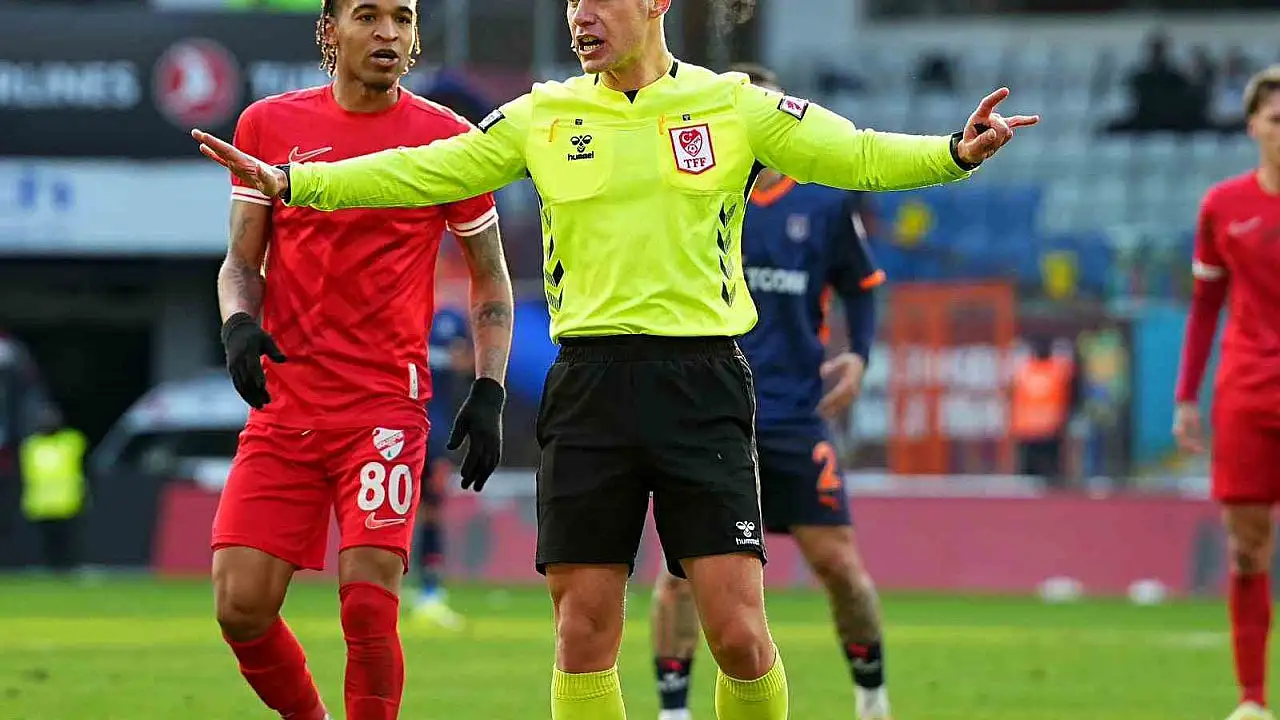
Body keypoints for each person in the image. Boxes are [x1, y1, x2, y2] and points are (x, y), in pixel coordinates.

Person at [192, 1, 1038, 716]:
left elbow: (854, 152)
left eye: (599, 1)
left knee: (739, 634)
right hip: (588, 389)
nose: (580, 18)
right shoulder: (542, 114)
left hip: (702, 383)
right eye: (571, 4)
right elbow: (420, 171)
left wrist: (952, 153)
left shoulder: (731, 106)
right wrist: (295, 184)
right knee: (582, 632)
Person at [203, 0, 513, 718]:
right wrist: (239, 324)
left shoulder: (450, 143)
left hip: (385, 407)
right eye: (368, 16)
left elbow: (491, 278)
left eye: (402, 19)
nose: (388, 33)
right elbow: (240, 262)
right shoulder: (268, 125)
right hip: (285, 404)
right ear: (329, 31)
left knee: (369, 606)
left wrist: (489, 387)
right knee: (239, 606)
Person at [647, 61, 893, 720]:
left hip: (793, 415)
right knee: (680, 574)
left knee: (839, 566)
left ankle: (873, 700)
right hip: (707, 414)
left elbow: (863, 287)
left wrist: (860, 355)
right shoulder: (690, 193)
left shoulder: (824, 203)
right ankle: (674, 711)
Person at [1174, 65, 1280, 720]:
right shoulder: (1223, 206)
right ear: (1252, 127)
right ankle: (1251, 700)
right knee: (1247, 548)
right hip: (1247, 393)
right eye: (1276, 118)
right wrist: (1186, 397)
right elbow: (1205, 305)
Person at [411, 306, 474, 630]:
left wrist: (456, 357)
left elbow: (469, 363)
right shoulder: (402, 308)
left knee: (432, 509)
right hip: (398, 426)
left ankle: (430, 591)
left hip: (437, 433)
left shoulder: (452, 319)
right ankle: (387, 584)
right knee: (392, 510)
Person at [19, 405, 87, 575]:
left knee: (67, 539)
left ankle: (69, 567)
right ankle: (48, 567)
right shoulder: (31, 444)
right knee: (46, 540)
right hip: (40, 502)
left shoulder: (71, 440)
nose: (48, 423)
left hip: (67, 500)